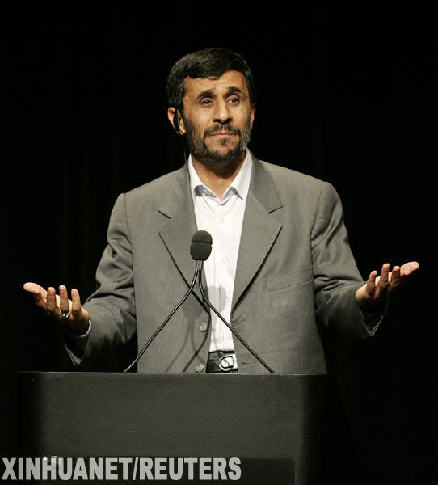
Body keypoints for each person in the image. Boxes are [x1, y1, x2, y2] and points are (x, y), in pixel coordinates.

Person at [23, 48, 419, 373]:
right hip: (175, 408)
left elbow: (335, 298)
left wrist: (365, 299)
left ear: (252, 112)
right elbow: (117, 307)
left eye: (234, 99)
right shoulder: (137, 209)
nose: (223, 115)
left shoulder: (309, 199)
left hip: (279, 408)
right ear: (177, 119)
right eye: (206, 101)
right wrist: (81, 321)